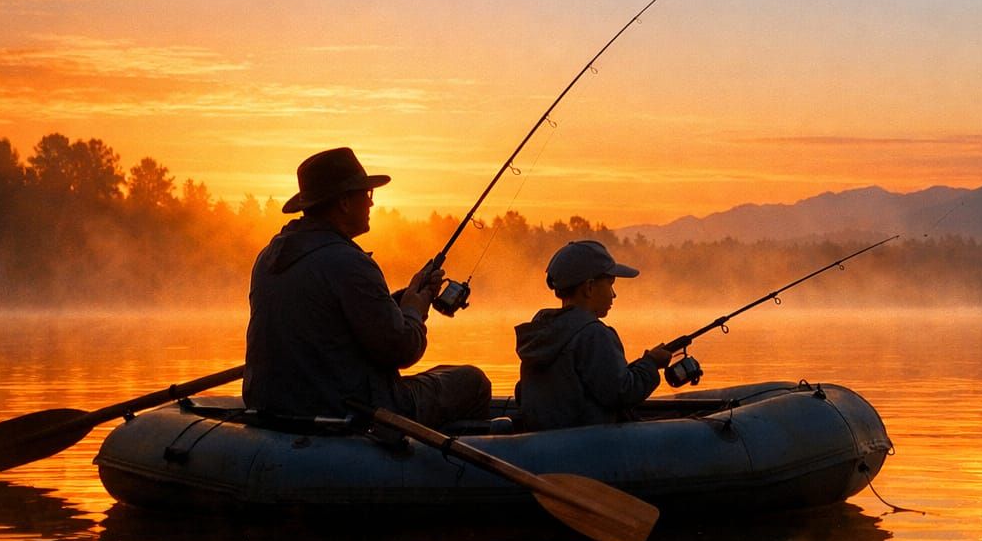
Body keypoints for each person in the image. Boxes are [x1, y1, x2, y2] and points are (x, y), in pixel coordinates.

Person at [244, 147, 490, 428]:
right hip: (350, 409)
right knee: (473, 381)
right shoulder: (349, 262)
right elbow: (401, 350)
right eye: (367, 194)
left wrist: (405, 297)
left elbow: (335, 320)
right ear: (345, 202)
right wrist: (414, 310)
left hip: (278, 407)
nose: (371, 204)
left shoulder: (267, 258)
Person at [514, 239, 672, 431]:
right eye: (610, 284)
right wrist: (652, 363)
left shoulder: (542, 330)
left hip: (547, 444)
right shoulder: (593, 334)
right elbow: (622, 393)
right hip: (585, 448)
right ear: (589, 287)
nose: (614, 295)